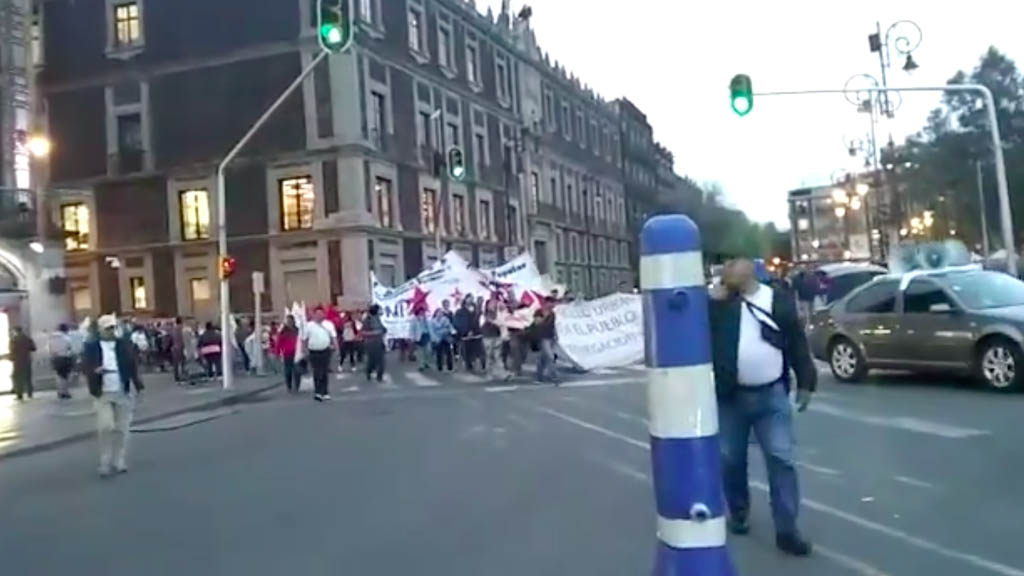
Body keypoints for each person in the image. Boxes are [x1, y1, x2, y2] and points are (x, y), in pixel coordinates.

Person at [709, 257, 816, 557]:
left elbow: (795, 341)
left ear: (750, 272)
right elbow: (699, 333)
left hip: (771, 394)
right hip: (731, 396)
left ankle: (787, 530)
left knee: (781, 459)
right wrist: (711, 302)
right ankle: (739, 512)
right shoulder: (720, 304)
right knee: (730, 459)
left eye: (732, 266)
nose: (727, 271)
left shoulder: (776, 300)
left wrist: (806, 381)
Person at [83, 315, 143, 477]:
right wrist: (94, 371)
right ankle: (105, 460)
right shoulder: (91, 346)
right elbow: (85, 365)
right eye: (107, 328)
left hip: (122, 389)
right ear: (100, 330)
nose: (111, 331)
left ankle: (119, 459)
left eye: (113, 328)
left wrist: (137, 385)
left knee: (122, 428)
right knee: (106, 426)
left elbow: (132, 365)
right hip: (103, 391)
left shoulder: (123, 344)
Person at [304, 306, 337, 401]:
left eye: (321, 313)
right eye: (317, 314)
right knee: (317, 371)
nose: (319, 315)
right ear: (314, 315)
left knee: (324, 371)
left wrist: (335, 346)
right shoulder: (309, 325)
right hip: (313, 351)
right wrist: (305, 350)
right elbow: (305, 339)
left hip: (325, 350)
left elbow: (333, 336)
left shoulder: (329, 324)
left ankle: (325, 391)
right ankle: (318, 392)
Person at [533, 297, 560, 384]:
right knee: (550, 356)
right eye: (551, 303)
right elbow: (537, 323)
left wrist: (556, 334)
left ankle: (539, 376)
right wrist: (545, 316)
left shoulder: (553, 314)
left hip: (550, 337)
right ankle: (554, 376)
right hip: (542, 337)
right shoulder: (539, 312)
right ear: (546, 303)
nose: (553, 305)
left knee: (543, 358)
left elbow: (553, 325)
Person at [454, 295, 483, 372]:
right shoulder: (460, 311)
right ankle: (468, 366)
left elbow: (479, 320)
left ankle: (477, 365)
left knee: (477, 351)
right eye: (469, 298)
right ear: (465, 300)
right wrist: (465, 331)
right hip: (465, 335)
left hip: (476, 334)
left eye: (472, 299)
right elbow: (457, 323)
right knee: (466, 351)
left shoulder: (476, 310)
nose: (471, 300)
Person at [481, 299, 507, 380]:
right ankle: (489, 373)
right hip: (487, 337)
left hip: (497, 336)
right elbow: (483, 324)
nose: (494, 304)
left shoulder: (498, 313)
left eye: (494, 303)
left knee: (497, 355)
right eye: (491, 303)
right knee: (489, 355)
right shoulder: (485, 314)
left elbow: (502, 322)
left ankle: (502, 374)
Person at [361, 304, 387, 382]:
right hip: (371, 344)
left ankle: (379, 376)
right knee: (371, 361)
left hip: (379, 342)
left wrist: (384, 330)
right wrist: (375, 333)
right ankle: (368, 371)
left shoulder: (378, 318)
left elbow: (382, 328)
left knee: (381, 361)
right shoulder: (367, 320)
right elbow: (363, 332)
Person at [50, 324, 76, 399]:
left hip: (55, 358)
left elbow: (49, 349)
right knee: (65, 376)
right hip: (65, 358)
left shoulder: (52, 338)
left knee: (58, 376)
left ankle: (60, 391)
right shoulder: (66, 338)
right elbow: (70, 349)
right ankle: (65, 392)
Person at [10, 326, 36, 401]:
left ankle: (19, 394)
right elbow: (33, 348)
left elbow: (12, 351)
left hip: (18, 361)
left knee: (17, 378)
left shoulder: (14, 340)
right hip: (27, 360)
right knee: (28, 377)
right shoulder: (28, 338)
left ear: (15, 331)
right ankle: (30, 393)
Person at [276, 315, 300, 393]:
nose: (289, 323)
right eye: (288, 321)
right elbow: (279, 342)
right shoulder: (283, 331)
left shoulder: (297, 330)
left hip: (297, 353)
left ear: (293, 321)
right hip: (287, 353)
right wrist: (278, 352)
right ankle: (289, 386)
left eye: (290, 321)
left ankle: (297, 385)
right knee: (288, 371)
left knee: (297, 370)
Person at [410, 307, 431, 371]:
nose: (422, 313)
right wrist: (412, 337)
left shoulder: (426, 319)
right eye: (421, 312)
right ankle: (421, 365)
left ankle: (426, 362)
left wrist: (425, 320)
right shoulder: (414, 319)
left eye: (423, 312)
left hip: (426, 335)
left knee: (428, 351)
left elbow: (429, 327)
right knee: (420, 352)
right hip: (419, 336)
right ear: (418, 313)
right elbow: (412, 329)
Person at [170, 317, 186, 383]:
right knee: (183, 362)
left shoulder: (173, 329)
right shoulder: (184, 329)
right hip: (182, 347)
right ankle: (184, 375)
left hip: (175, 347)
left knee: (176, 364)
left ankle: (176, 377)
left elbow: (171, 339)